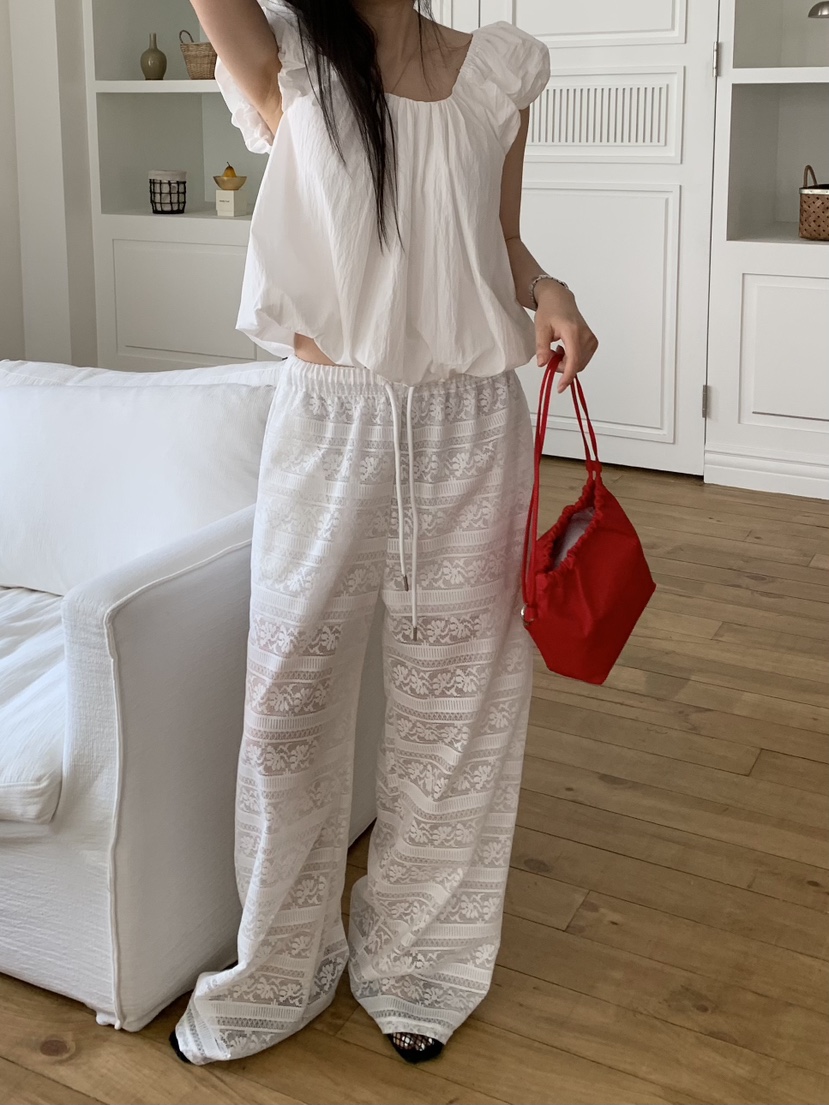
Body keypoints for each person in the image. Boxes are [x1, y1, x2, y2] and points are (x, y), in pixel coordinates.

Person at [169, 0, 598, 1067]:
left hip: (471, 425)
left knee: (458, 713)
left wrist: (547, 288)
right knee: (288, 703)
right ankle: (279, 967)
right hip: (329, 422)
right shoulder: (289, 57)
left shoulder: (499, 69)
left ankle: (419, 963)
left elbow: (498, 241)